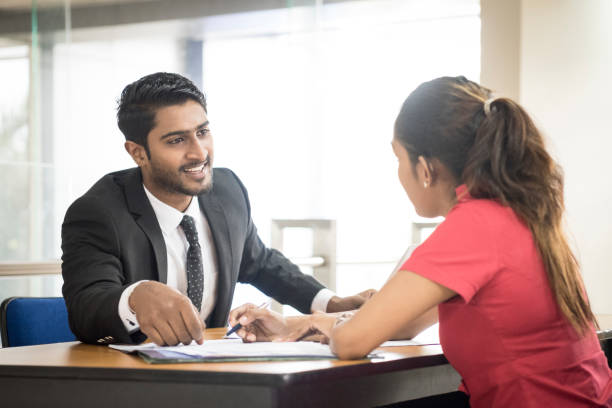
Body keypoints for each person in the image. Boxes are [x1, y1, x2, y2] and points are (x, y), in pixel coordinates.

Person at [229, 76, 612, 407]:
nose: (398, 173)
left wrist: (329, 326)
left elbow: (353, 341)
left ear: (426, 168)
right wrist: (295, 325)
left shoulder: (472, 227)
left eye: (399, 158)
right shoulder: (513, 214)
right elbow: (406, 324)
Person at [61, 72, 372, 347]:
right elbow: (86, 308)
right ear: (138, 153)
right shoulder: (98, 213)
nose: (199, 153)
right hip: (130, 382)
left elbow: (261, 263)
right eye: (176, 140)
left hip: (216, 372)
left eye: (202, 132)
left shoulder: (227, 191)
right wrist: (135, 298)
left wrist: (331, 303)